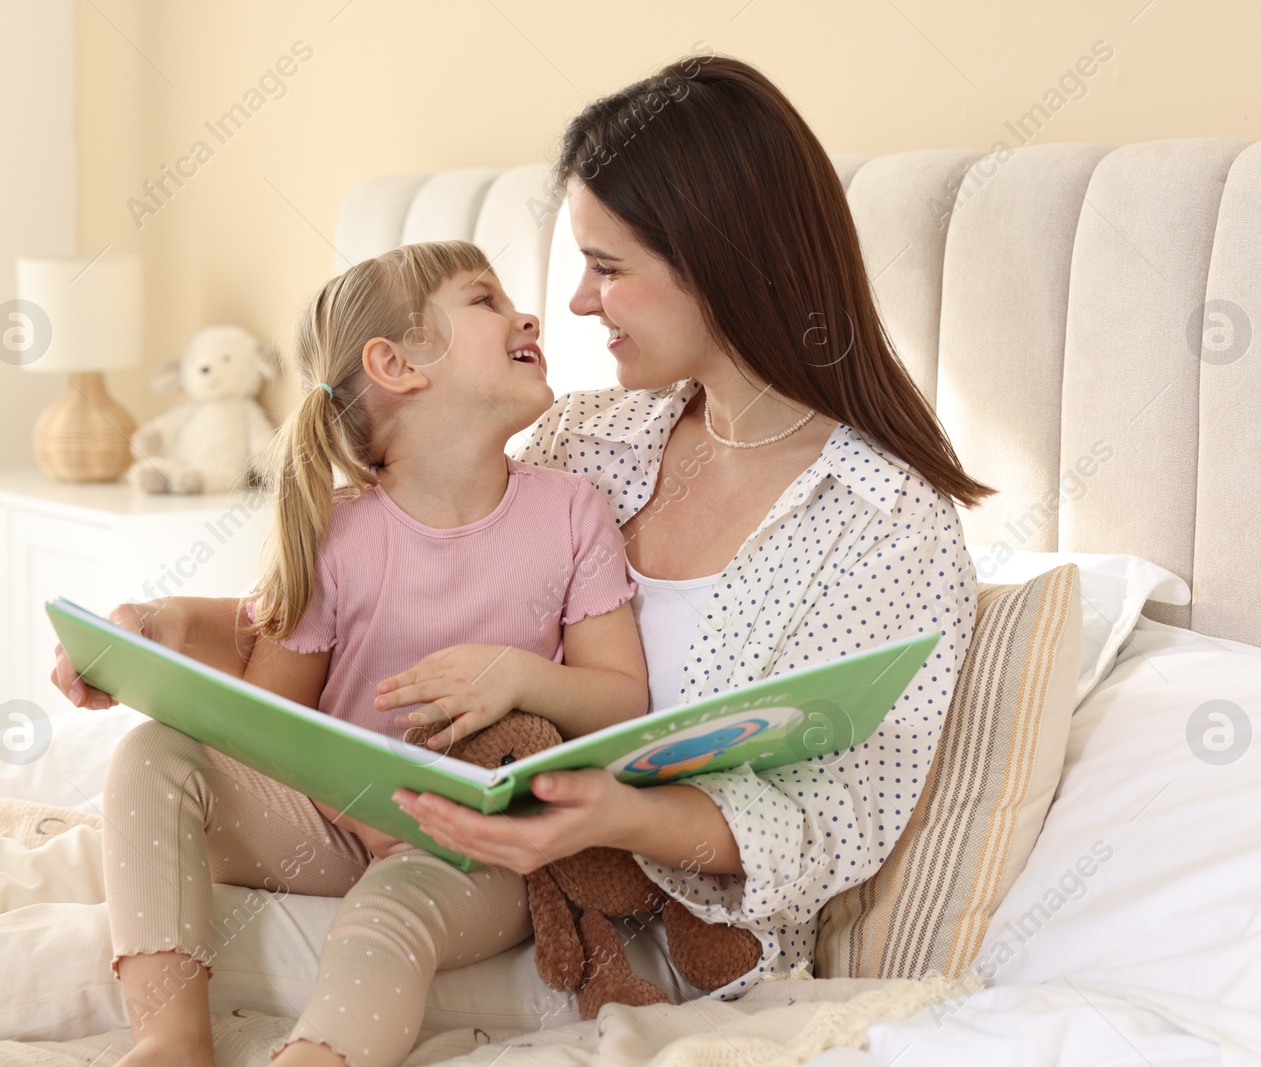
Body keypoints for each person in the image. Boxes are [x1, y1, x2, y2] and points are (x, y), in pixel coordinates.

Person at [54, 51, 993, 1050]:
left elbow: (832, 821)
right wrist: (164, 630)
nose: (576, 304)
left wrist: (606, 818)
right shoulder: (587, 439)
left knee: (381, 919)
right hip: (408, 821)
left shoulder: (888, 522)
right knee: (152, 765)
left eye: (608, 266)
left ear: (715, 256)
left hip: (620, 919)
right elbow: (347, 602)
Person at [85, 239, 650, 1067]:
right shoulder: (341, 535)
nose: (528, 314)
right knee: (149, 755)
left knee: (393, 905)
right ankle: (171, 1040)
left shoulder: (570, 513)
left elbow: (623, 697)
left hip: (476, 844)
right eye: (485, 300)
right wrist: (355, 808)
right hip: (332, 821)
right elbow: (270, 726)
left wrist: (520, 675)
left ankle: (320, 1056)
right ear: (395, 364)